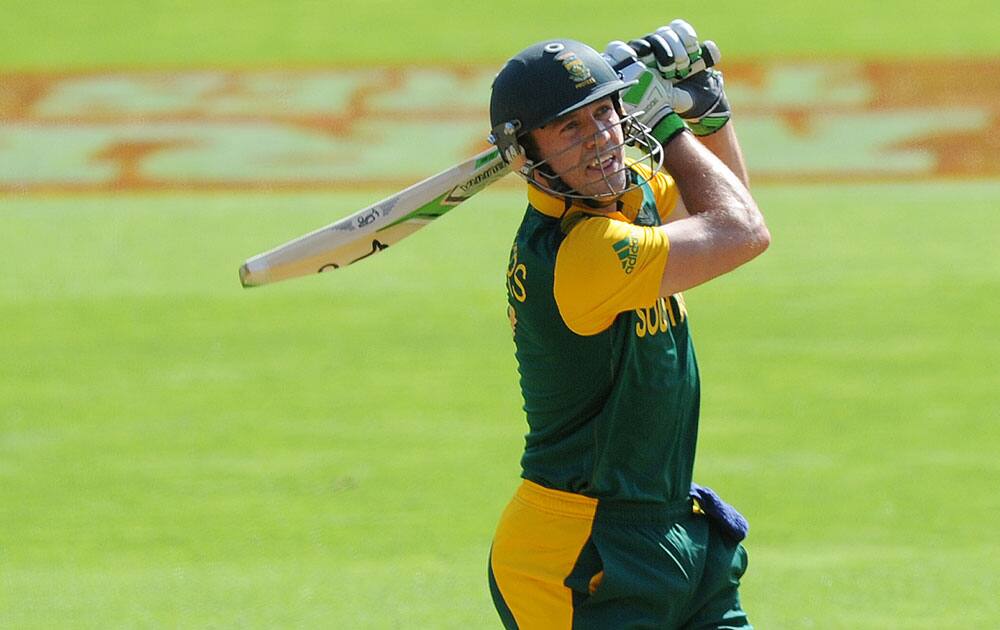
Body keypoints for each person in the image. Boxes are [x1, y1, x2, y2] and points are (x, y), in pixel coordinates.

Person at [485, 20, 770, 630]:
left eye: (605, 113)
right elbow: (741, 231)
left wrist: (709, 111)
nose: (600, 139)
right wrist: (666, 120)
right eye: (570, 127)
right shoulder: (581, 252)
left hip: (671, 532)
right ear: (528, 155)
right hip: (576, 559)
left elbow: (729, 205)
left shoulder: (630, 197)